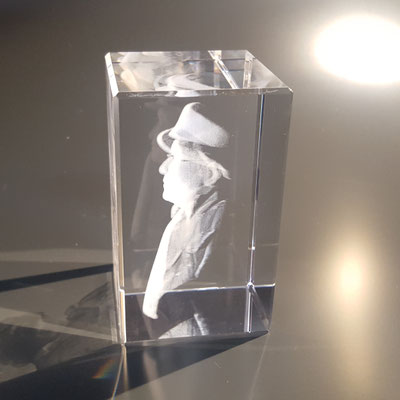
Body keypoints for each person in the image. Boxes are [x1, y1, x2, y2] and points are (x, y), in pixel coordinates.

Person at [142, 102, 231, 335]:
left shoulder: (213, 222)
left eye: (177, 158)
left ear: (210, 172)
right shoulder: (183, 217)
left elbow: (206, 304)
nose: (163, 168)